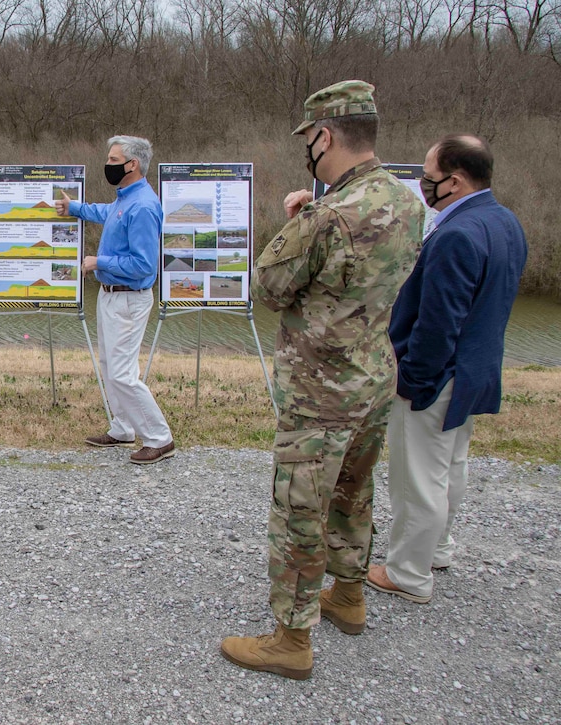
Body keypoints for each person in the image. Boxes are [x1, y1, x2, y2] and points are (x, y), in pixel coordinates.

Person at [219, 81, 424, 680]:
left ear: (325, 136)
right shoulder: (408, 202)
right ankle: (350, 596)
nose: (308, 148)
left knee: (299, 511)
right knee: (353, 493)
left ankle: (291, 637)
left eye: (309, 137)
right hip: (373, 380)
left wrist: (297, 223)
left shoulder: (327, 214)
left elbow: (269, 287)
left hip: (320, 392)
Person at [368, 135, 527, 603]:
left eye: (428, 176)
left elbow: (438, 322)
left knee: (417, 478)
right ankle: (436, 548)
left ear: (454, 182)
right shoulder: (504, 221)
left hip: (436, 379)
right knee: (449, 466)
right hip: (475, 371)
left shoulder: (456, 233)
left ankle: (408, 573)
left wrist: (411, 380)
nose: (422, 184)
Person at [54, 135, 175, 465]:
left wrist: (98, 263)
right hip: (111, 298)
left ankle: (159, 438)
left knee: (123, 373)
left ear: (131, 164)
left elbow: (144, 265)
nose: (107, 165)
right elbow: (108, 212)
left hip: (129, 300)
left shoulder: (145, 206)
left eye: (112, 159)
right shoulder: (125, 199)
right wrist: (74, 208)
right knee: (110, 367)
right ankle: (122, 428)